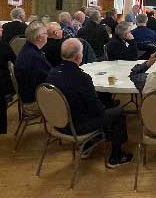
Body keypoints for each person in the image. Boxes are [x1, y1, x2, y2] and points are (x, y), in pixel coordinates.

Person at [46, 38, 134, 168]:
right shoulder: (82, 78)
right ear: (78, 57)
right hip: (78, 125)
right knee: (119, 112)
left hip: (57, 122)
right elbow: (97, 109)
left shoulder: (52, 73)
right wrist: (106, 107)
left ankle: (87, 145)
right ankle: (116, 156)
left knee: (104, 103)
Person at [14, 21, 51, 111]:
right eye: (46, 33)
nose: (48, 36)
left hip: (30, 91)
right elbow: (47, 79)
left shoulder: (29, 49)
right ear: (39, 37)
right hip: (33, 99)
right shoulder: (33, 56)